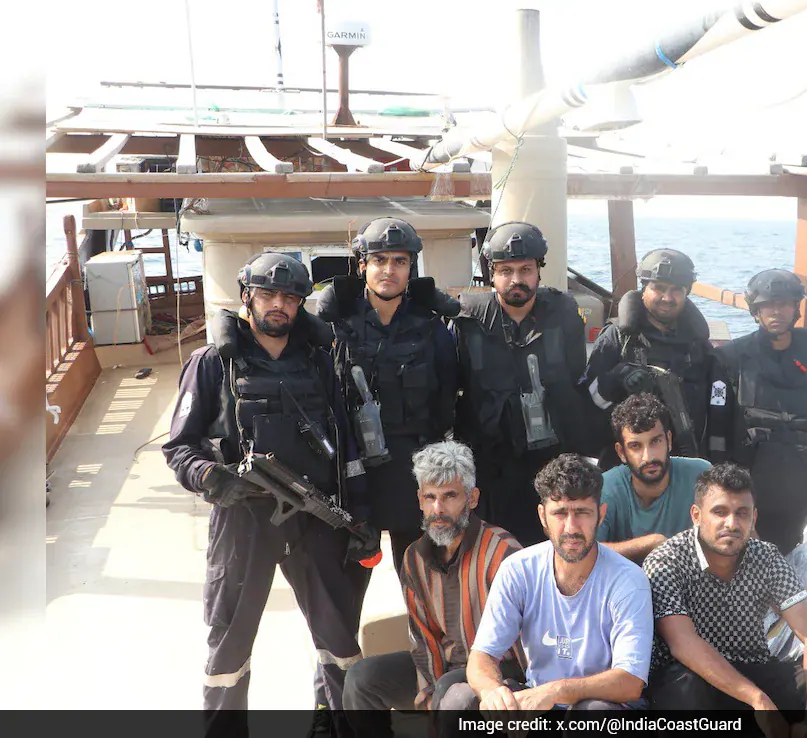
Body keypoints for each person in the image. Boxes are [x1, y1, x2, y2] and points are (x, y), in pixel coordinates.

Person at [162, 253, 375, 738]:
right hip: (242, 521)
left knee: (339, 637)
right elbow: (178, 447)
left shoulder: (321, 363)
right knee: (229, 645)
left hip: (314, 516)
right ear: (247, 298)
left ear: (301, 304)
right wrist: (211, 477)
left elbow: (349, 448)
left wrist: (360, 518)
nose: (278, 305)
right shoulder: (213, 362)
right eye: (268, 295)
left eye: (290, 298)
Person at [642, 462, 807, 736]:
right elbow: (683, 644)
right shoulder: (666, 561)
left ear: (754, 518)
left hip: (750, 668)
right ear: (696, 515)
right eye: (719, 512)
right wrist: (757, 699)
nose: (732, 523)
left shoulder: (766, 558)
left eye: (742, 513)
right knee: (685, 688)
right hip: (689, 678)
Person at [343, 441, 525, 737]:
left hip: (502, 674)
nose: (438, 509)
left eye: (450, 496)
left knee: (453, 692)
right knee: (362, 677)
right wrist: (429, 694)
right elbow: (425, 639)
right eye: (430, 497)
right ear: (419, 500)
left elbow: (526, 646)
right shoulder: (414, 558)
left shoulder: (503, 553)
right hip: (444, 667)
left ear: (473, 498)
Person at [315, 216, 459, 573]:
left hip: (409, 467)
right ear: (363, 266)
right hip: (350, 469)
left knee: (418, 575)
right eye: (379, 260)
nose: (389, 270)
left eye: (400, 261)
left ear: (411, 267)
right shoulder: (335, 325)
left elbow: (446, 398)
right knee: (344, 582)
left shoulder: (431, 327)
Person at [461, 453, 654, 712]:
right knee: (460, 702)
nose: (571, 527)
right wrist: (493, 692)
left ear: (601, 514)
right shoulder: (518, 569)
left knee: (594, 713)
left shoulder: (629, 580)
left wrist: (557, 691)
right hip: (540, 701)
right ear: (542, 516)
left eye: (582, 512)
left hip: (607, 709)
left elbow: (630, 682)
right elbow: (481, 658)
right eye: (560, 513)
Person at [453, 222, 596, 546]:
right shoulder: (469, 321)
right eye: (506, 270)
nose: (516, 280)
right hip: (491, 468)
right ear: (491, 274)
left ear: (538, 271)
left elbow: (577, 382)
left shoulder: (563, 316)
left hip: (550, 463)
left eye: (525, 269)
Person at [708, 269, 807, 554]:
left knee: (783, 562)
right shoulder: (731, 360)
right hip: (744, 495)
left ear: (796, 308)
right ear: (755, 311)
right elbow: (715, 436)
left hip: (797, 492)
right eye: (768, 305)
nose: (776, 311)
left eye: (783, 303)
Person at [581, 248, 713, 468]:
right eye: (658, 288)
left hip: (685, 459)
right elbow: (587, 402)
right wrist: (618, 378)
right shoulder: (617, 338)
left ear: (686, 293)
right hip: (627, 461)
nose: (667, 298)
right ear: (643, 290)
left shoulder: (698, 345)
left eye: (676, 290)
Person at [597, 393, 711, 563]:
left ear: (669, 441)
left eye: (655, 442)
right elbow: (585, 552)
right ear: (621, 452)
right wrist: (651, 543)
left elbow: (738, 530)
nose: (648, 457)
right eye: (635, 446)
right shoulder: (605, 489)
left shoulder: (701, 475)